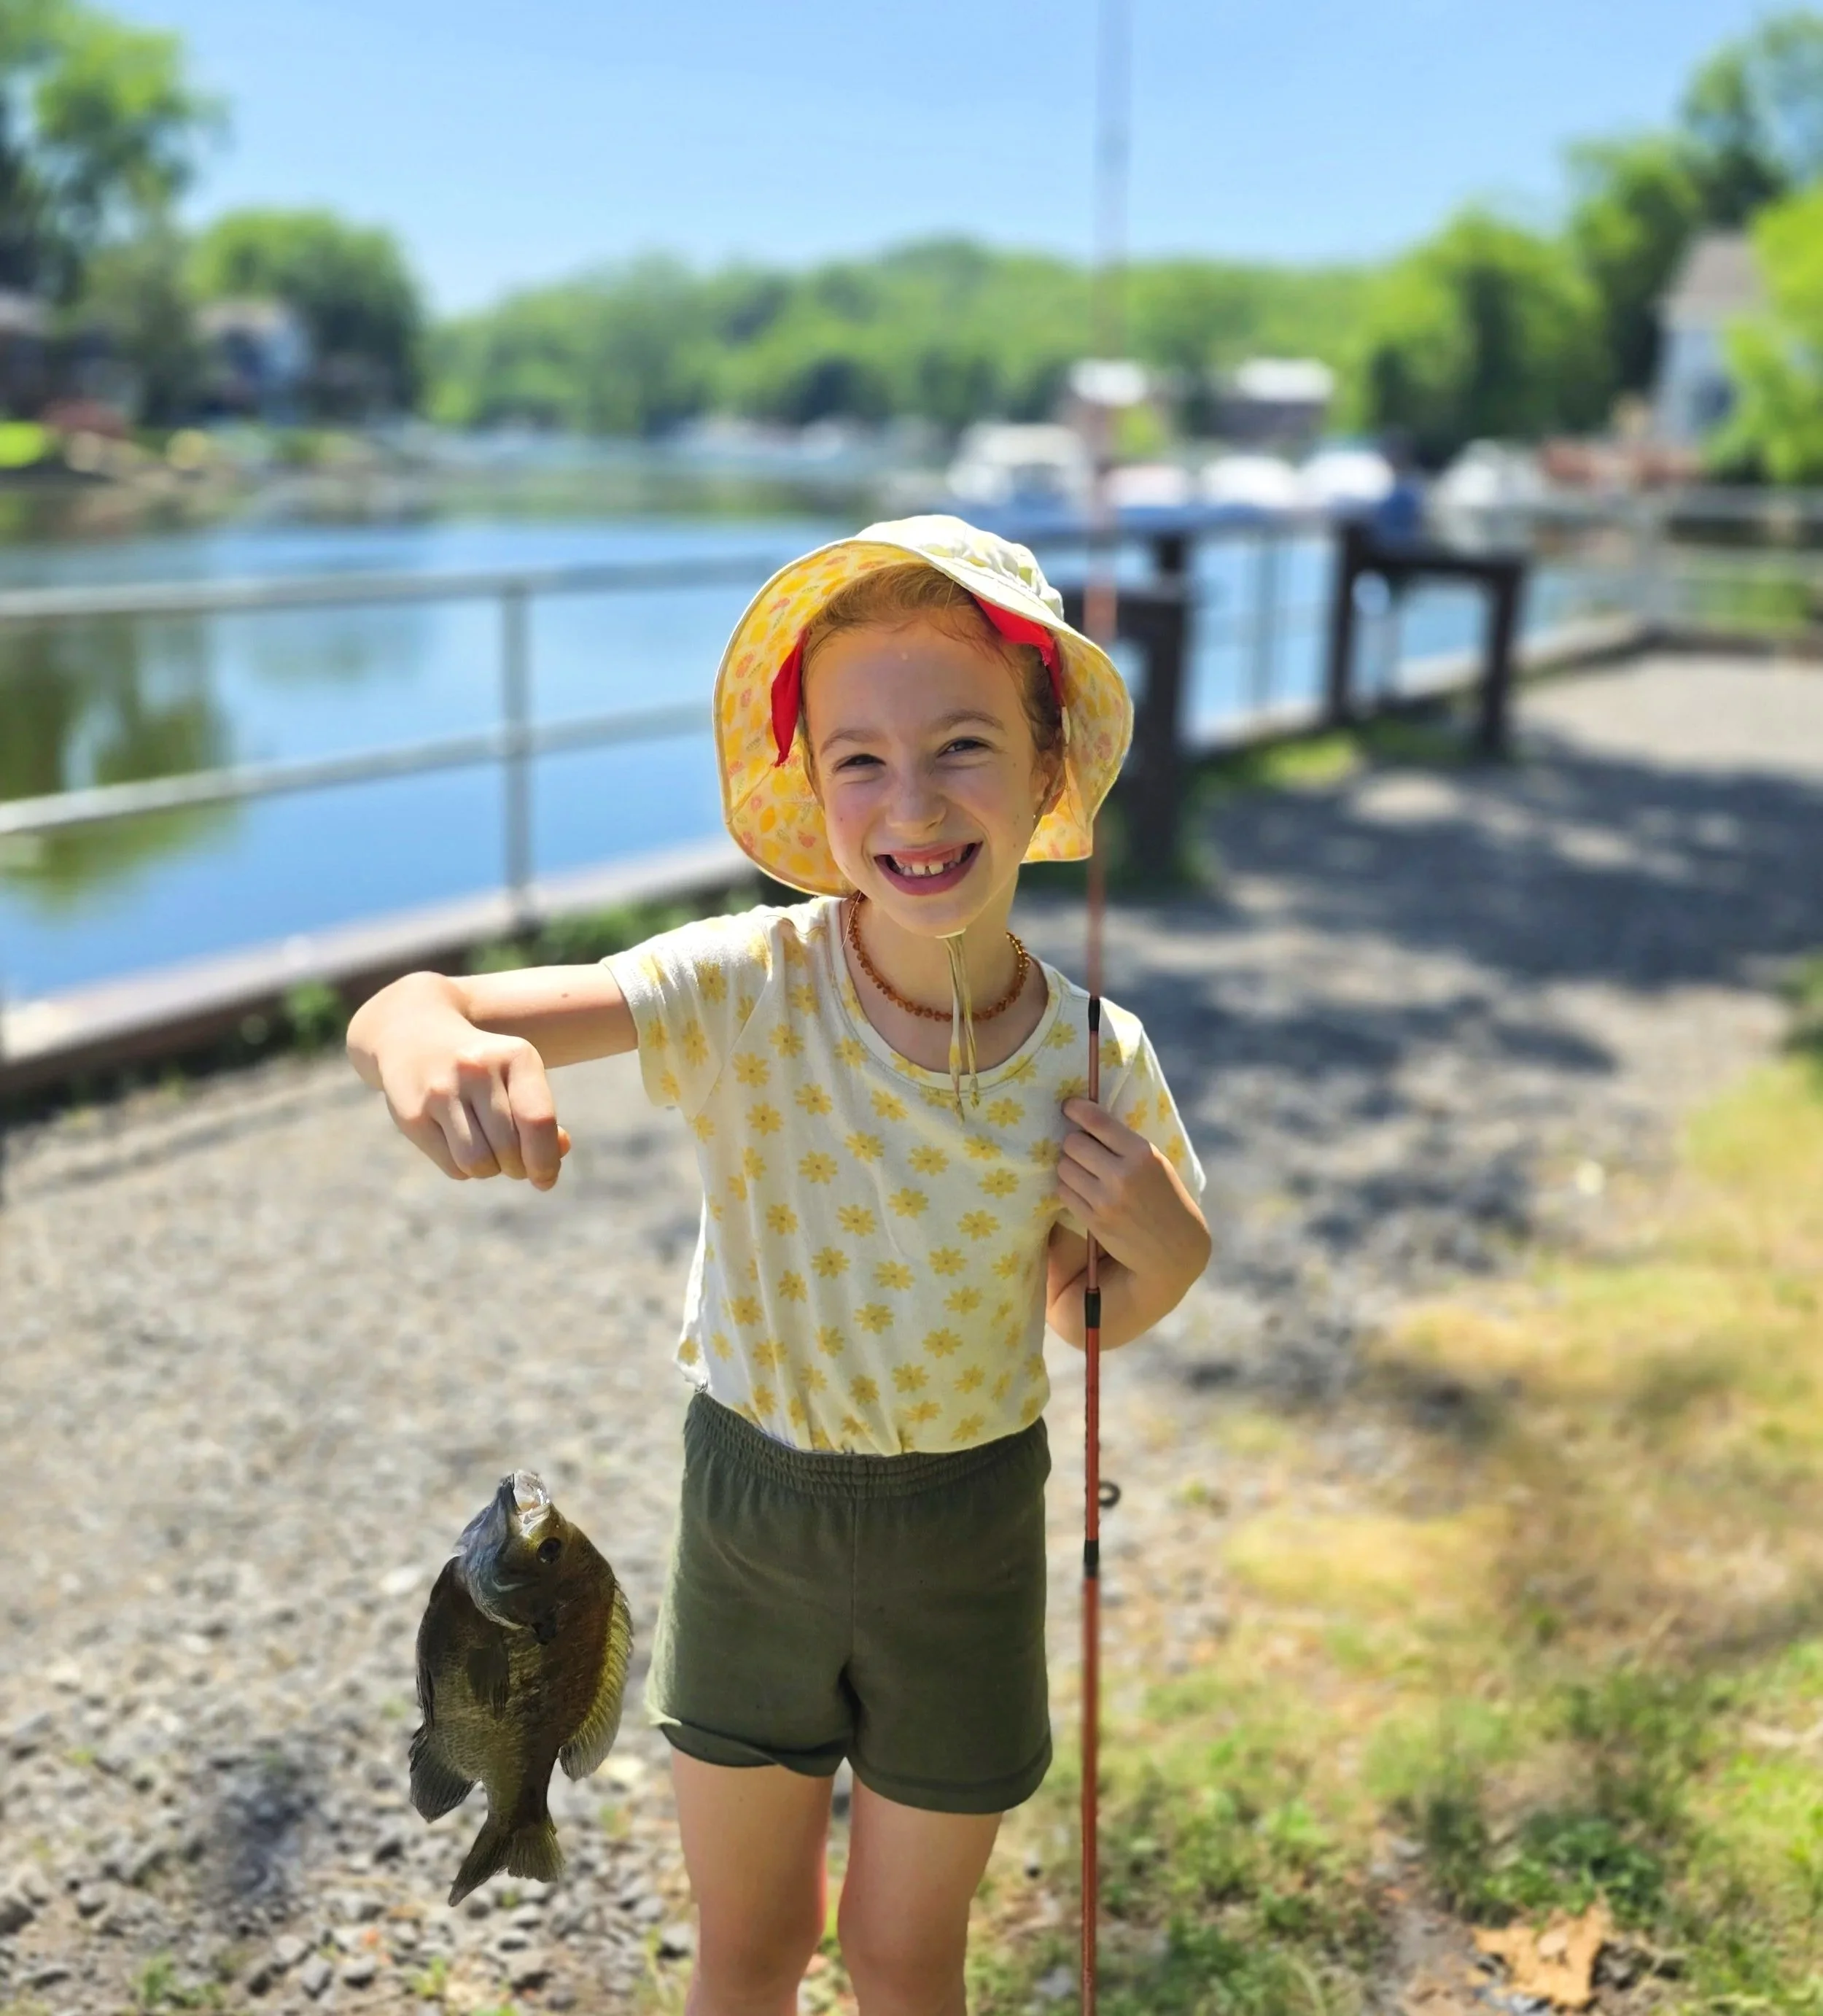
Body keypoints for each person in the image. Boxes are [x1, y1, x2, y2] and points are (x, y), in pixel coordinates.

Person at [346, 516, 1210, 2016]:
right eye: (859, 758)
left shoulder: (1093, 1052)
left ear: (1045, 761)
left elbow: (1096, 1311)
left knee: (898, 1952)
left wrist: (1158, 1231)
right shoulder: (742, 986)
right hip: (752, 1514)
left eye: (960, 745)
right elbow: (423, 1001)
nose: (912, 799)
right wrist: (420, 1044)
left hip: (971, 1532)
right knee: (749, 1946)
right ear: (810, 788)